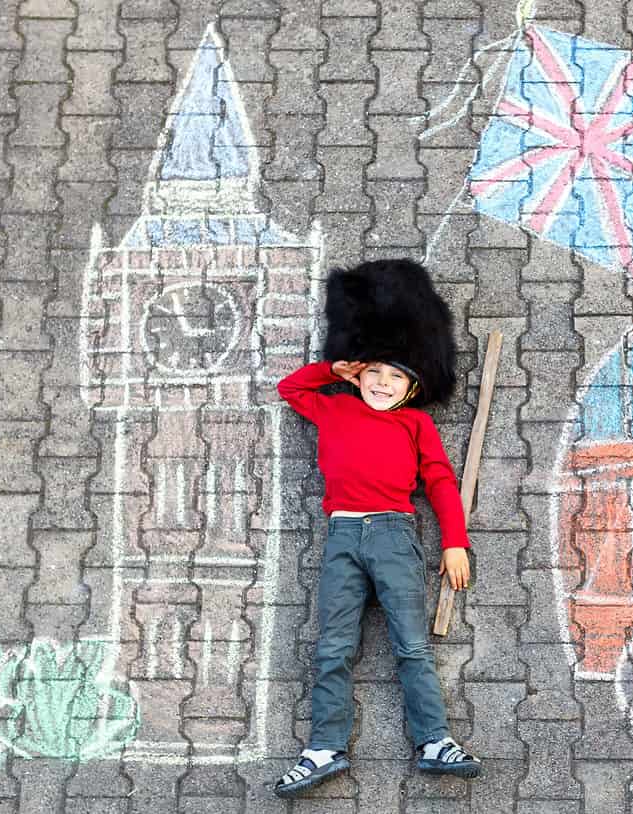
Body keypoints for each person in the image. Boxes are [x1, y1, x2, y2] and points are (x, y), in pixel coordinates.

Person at [273, 259, 480, 798]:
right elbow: (288, 388)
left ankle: (434, 741)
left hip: (394, 534)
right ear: (358, 373)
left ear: (412, 389)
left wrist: (455, 543)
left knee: (411, 645)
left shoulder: (416, 423)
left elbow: (438, 483)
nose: (383, 384)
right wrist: (333, 369)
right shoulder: (333, 408)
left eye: (396, 377)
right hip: (343, 536)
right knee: (333, 648)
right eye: (374, 373)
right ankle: (324, 748)